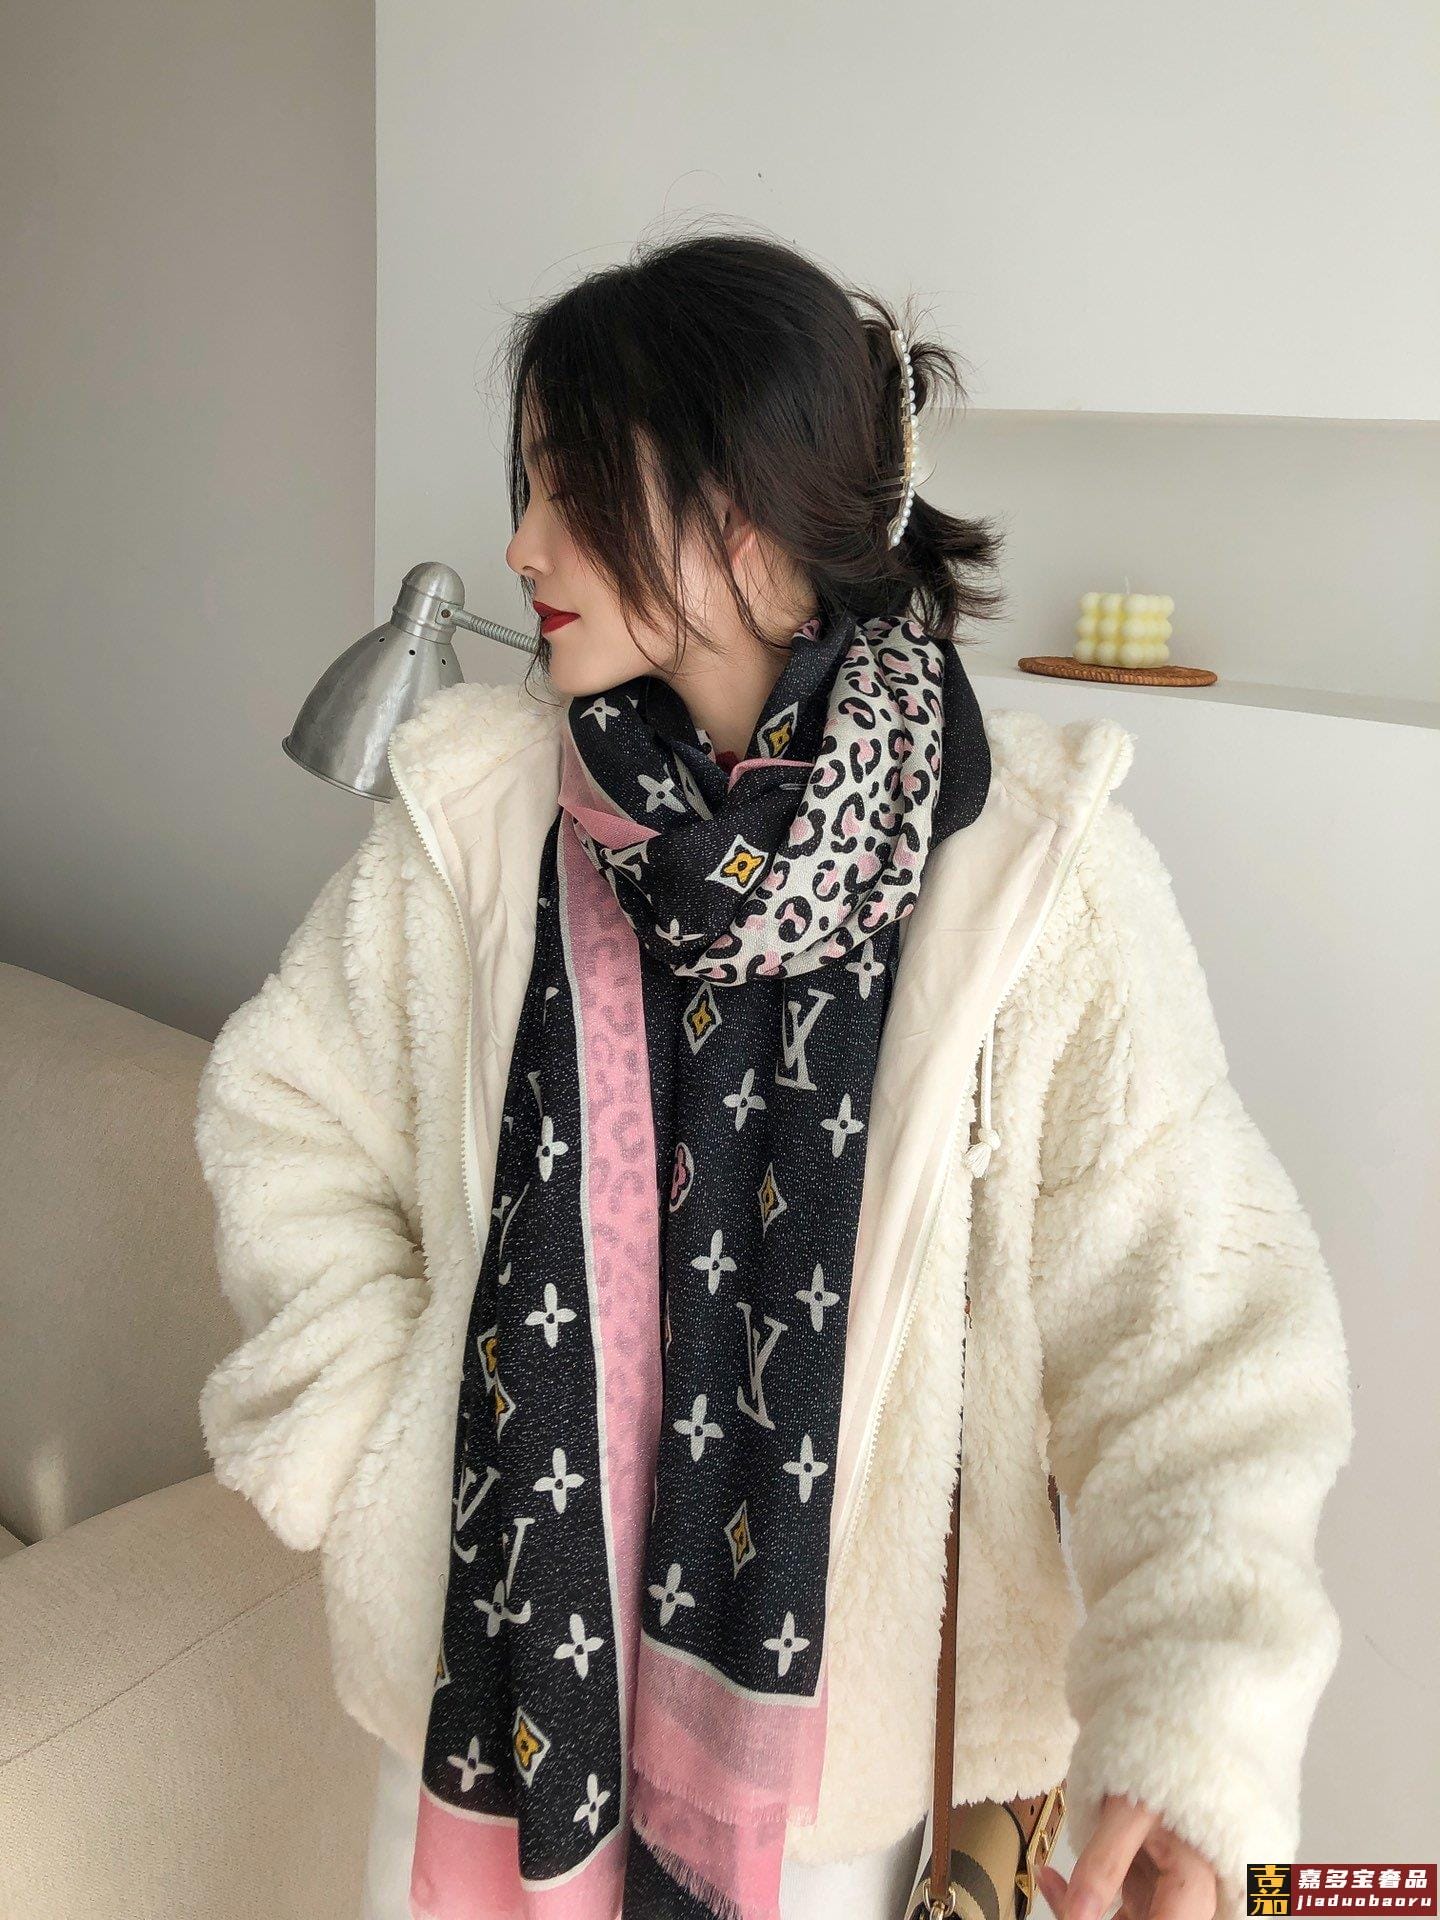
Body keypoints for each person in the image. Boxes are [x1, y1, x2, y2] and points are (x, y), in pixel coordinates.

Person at [194, 231, 1353, 1920]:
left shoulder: (1031, 876)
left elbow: (1196, 1335)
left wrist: (1193, 1731)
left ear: (749, 521)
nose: (520, 545)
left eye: (576, 489)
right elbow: (284, 1117)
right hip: (485, 1707)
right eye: (528, 484)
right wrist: (372, 1464)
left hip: (815, 1801)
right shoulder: (480, 816)